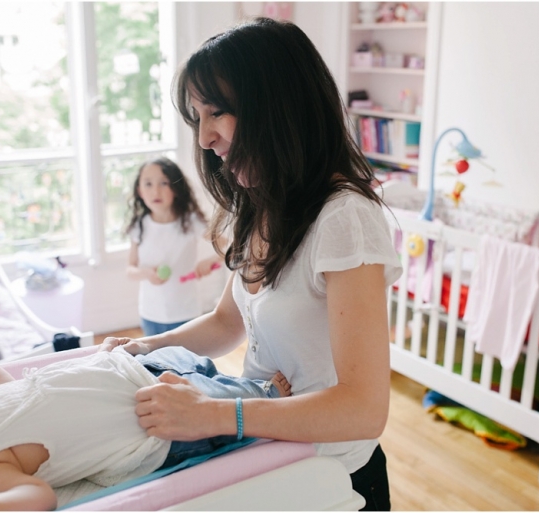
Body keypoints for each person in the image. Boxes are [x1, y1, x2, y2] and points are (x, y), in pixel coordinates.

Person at [100, 17, 402, 511]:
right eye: (197, 118)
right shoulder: (256, 205)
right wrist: (145, 346)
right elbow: (227, 322)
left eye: (217, 113)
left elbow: (364, 409)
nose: (205, 139)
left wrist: (218, 416)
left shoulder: (345, 219)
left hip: (334, 474)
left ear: (280, 107)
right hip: (266, 455)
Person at [0, 344, 290, 511]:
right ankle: (269, 396)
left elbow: (1, 390)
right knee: (223, 401)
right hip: (155, 426)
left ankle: (236, 383)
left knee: (197, 368)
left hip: (131, 373)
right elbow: (37, 496)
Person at [125, 156, 223, 336]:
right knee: (156, 363)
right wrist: (146, 273)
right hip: (151, 314)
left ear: (176, 188)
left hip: (186, 313)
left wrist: (212, 260)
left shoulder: (191, 221)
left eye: (164, 183)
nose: (156, 191)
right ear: (139, 191)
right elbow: (130, 269)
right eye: (148, 184)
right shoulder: (139, 226)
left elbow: (229, 248)